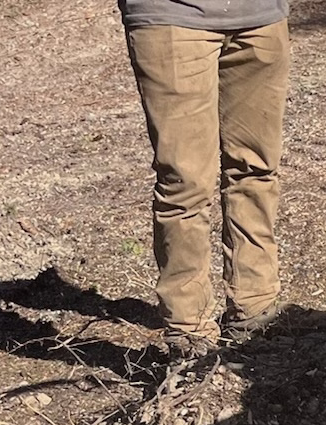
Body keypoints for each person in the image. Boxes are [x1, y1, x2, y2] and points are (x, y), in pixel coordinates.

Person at [120, 0, 291, 354]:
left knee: (256, 169)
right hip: (172, 19)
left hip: (261, 17)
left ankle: (255, 308)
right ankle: (189, 334)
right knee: (186, 183)